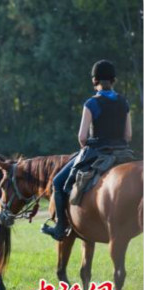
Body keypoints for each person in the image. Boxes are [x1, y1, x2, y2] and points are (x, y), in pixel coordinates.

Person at [42, 60, 132, 241]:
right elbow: (128, 135)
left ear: (94, 80)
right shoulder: (124, 102)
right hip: (123, 153)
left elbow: (82, 138)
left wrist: (87, 147)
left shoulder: (92, 103)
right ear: (113, 80)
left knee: (58, 183)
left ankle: (60, 227)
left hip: (98, 152)